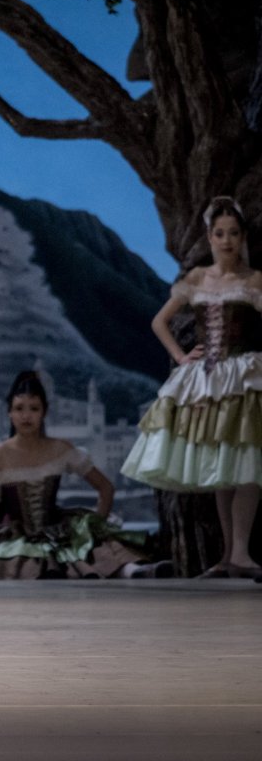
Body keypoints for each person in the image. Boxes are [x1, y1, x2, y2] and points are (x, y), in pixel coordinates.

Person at [121, 196, 262, 579]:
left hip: (244, 376)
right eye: (220, 234)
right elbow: (159, 322)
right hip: (207, 379)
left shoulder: (253, 280)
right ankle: (229, 555)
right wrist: (182, 357)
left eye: (233, 233)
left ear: (242, 237)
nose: (227, 241)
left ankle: (241, 553)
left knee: (246, 459)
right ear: (210, 237)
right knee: (222, 463)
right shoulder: (198, 279)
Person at [0, 371, 157, 580]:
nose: (26, 415)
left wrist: (96, 526)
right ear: (9, 413)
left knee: (91, 549)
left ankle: (131, 570)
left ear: (44, 412)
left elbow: (106, 488)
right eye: (19, 408)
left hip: (59, 531)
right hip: (16, 536)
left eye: (34, 408)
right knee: (11, 563)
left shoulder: (60, 449)